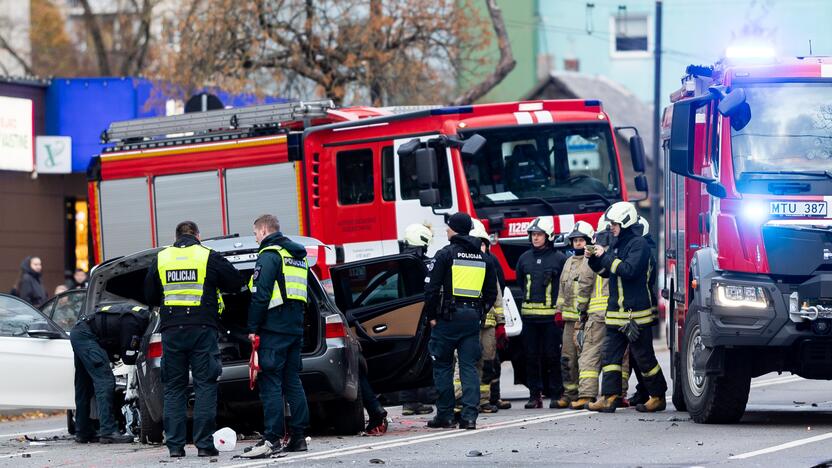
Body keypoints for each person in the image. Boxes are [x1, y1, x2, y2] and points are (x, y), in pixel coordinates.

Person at [144, 221, 245, 458]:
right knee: (205, 385)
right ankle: (204, 445)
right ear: (198, 236)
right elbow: (235, 282)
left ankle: (176, 447)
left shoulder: (162, 257)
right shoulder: (207, 255)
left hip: (172, 331)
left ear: (176, 236)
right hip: (202, 330)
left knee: (174, 388)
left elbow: (149, 295)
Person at [586, 202, 667, 413]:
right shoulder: (617, 245)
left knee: (644, 358)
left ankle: (658, 396)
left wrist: (605, 256)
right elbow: (607, 271)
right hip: (615, 313)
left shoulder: (638, 245)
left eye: (614, 224)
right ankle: (610, 397)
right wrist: (594, 259)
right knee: (610, 357)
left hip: (635, 315)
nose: (611, 227)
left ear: (626, 222)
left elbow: (629, 270)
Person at [241, 214, 311, 458]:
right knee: (292, 381)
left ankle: (272, 438)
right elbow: (306, 294)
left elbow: (261, 294)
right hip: (294, 327)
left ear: (262, 231)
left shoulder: (269, 254)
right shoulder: (296, 256)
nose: (256, 237)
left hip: (273, 328)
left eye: (255, 233)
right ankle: (299, 437)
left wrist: (253, 327)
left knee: (270, 382)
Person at [424, 212, 497, 430]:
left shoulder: (445, 254)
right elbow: (491, 293)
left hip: (447, 319)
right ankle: (469, 417)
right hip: (472, 320)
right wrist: (479, 312)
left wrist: (432, 317)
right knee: (469, 368)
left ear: (455, 230)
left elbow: (431, 290)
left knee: (443, 366)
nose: (446, 230)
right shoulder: (484, 258)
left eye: (448, 227)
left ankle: (445, 416)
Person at [71, 303, 149, 444]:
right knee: (105, 381)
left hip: (80, 332)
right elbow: (128, 357)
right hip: (86, 336)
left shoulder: (137, 317)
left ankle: (83, 432)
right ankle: (108, 431)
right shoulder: (135, 321)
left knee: (84, 385)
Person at [515, 216, 567, 409]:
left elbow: (564, 286)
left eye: (539, 235)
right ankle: (534, 396)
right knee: (530, 357)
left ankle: (556, 394)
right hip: (529, 318)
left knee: (552, 356)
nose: (535, 238)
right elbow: (521, 282)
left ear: (549, 236)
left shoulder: (559, 259)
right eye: (533, 235)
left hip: (551, 318)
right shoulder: (524, 258)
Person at [553, 221, 596, 408]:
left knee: (585, 358)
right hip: (569, 320)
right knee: (567, 358)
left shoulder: (591, 261)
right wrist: (558, 310)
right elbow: (563, 288)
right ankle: (569, 393)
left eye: (581, 240)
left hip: (585, 319)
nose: (577, 243)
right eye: (575, 240)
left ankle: (585, 393)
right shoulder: (568, 261)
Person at [398, 223, 436, 417]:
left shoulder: (401, 262)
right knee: (427, 355)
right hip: (425, 316)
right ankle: (427, 395)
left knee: (409, 357)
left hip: (404, 316)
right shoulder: (425, 263)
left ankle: (409, 401)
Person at [470, 220, 505, 414]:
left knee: (488, 362)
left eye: (483, 243)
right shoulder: (465, 264)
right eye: (478, 242)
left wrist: (501, 324)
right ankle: (471, 400)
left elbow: (497, 295)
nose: (481, 247)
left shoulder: (490, 264)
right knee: (470, 362)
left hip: (488, 324)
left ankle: (484, 400)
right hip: (470, 323)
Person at [627, 216, 659, 407]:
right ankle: (644, 390)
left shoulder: (643, 251)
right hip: (642, 305)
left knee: (641, 353)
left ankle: (647, 391)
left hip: (641, 307)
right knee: (637, 353)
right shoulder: (639, 248)